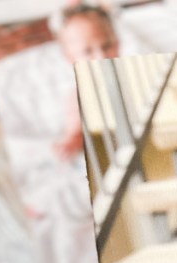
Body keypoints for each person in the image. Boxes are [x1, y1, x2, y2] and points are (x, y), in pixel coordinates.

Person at [52, 5, 121, 161]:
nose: (101, 57)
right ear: (70, 58)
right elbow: (76, 129)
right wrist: (71, 142)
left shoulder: (131, 75)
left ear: (117, 43)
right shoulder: (79, 94)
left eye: (106, 45)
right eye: (87, 51)